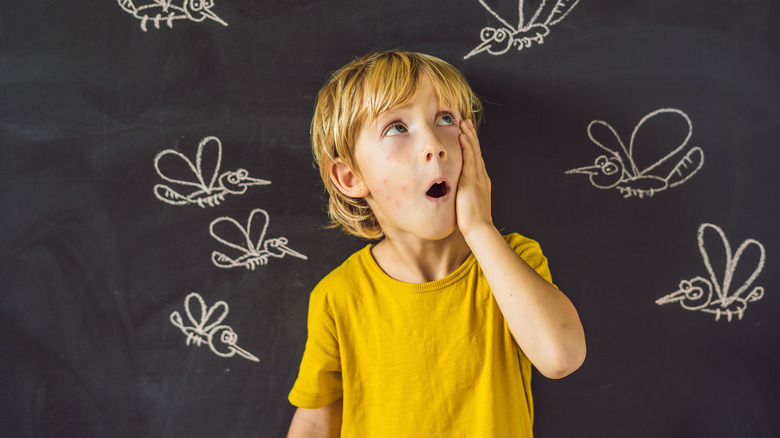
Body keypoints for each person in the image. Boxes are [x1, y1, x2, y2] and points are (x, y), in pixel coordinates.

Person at [287, 49, 586, 437]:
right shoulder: (339, 297)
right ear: (350, 178)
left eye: (445, 119)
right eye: (397, 128)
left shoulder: (511, 262)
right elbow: (315, 419)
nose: (434, 144)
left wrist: (480, 227)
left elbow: (560, 356)